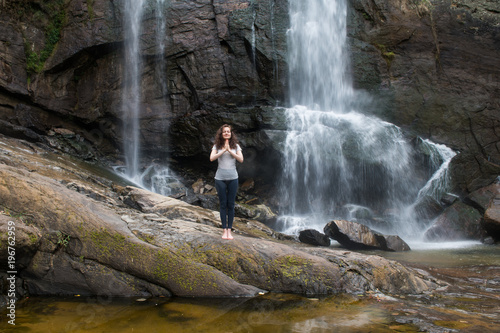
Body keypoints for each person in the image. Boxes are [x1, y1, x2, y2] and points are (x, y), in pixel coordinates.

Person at [210, 124, 244, 240]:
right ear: (221, 133)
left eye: (228, 131)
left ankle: (230, 230)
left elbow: (240, 159)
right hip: (220, 179)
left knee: (231, 205)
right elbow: (212, 158)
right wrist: (223, 150)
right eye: (224, 131)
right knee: (223, 204)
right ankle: (224, 230)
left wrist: (229, 150)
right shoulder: (216, 146)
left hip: (233, 178)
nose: (226, 133)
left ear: (231, 133)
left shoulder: (236, 146)